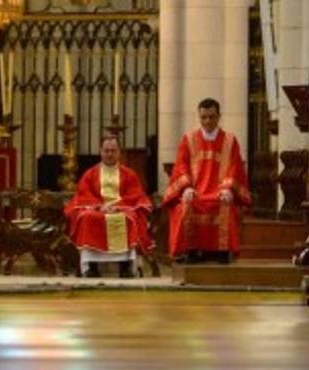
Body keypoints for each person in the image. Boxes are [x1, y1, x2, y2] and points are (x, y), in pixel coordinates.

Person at [160, 98, 251, 263]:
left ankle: (221, 253)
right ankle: (191, 251)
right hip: (195, 192)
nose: (207, 121)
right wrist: (186, 187)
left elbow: (235, 167)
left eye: (211, 117)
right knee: (186, 206)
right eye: (203, 117)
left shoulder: (230, 141)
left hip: (219, 193)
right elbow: (181, 166)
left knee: (225, 206)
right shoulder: (188, 139)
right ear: (199, 117)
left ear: (219, 116)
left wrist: (229, 189)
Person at [65, 135, 152, 277]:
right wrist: (99, 206)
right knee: (86, 217)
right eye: (106, 150)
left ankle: (125, 266)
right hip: (98, 210)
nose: (110, 154)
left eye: (113, 150)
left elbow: (135, 195)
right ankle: (91, 267)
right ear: (100, 151)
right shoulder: (90, 174)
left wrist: (118, 206)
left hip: (121, 209)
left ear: (119, 152)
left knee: (130, 218)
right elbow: (83, 194)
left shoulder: (129, 174)